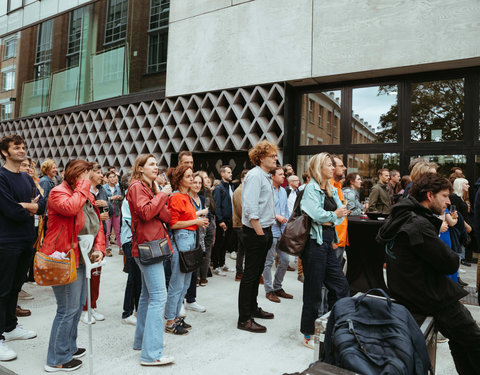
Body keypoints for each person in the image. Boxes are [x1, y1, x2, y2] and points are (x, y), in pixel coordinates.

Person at [377, 173, 480, 375]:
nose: (449, 201)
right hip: (431, 296)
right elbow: (450, 263)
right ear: (430, 195)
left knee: (460, 341)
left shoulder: (401, 215)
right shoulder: (418, 223)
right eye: (444, 196)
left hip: (414, 293)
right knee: (474, 339)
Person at [41, 159, 105, 372]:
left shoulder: (83, 193)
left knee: (76, 307)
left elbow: (96, 223)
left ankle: (68, 346)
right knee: (67, 309)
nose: (90, 177)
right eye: (86, 174)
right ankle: (57, 358)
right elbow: (71, 209)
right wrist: (84, 186)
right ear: (76, 175)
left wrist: (99, 247)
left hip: (80, 257)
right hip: (63, 257)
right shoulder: (58, 192)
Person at [0, 135, 46, 362]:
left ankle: (10, 327)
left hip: (26, 239)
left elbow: (44, 205)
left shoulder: (27, 179)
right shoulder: (1, 177)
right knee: (3, 289)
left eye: (23, 147)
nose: (21, 150)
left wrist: (30, 206)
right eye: (16, 147)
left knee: (16, 286)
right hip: (6, 241)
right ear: (5, 153)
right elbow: (10, 210)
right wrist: (32, 207)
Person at [125, 154, 174, 366]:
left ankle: (141, 342)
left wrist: (158, 194)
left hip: (150, 246)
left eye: (157, 164)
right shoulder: (137, 187)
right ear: (140, 168)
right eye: (152, 164)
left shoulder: (148, 188)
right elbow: (146, 213)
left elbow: (167, 216)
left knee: (147, 296)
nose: (156, 167)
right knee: (158, 297)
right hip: (148, 247)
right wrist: (162, 194)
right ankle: (151, 354)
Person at [299, 152, 349, 349]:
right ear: (319, 167)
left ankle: (334, 326)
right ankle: (308, 334)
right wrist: (332, 215)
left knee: (341, 286)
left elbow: (339, 216)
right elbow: (315, 214)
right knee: (313, 290)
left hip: (328, 242)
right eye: (329, 165)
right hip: (314, 243)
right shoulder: (310, 188)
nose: (332, 168)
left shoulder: (331, 189)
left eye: (332, 165)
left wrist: (331, 216)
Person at [237, 140, 277, 333]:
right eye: (272, 156)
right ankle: (244, 319)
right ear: (261, 158)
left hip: (264, 231)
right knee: (250, 276)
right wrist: (261, 234)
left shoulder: (265, 176)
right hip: (256, 232)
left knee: (255, 275)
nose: (276, 159)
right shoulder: (254, 176)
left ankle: (252, 309)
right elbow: (251, 209)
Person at [164, 165, 208, 335]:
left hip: (188, 238)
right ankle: (170, 320)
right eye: (189, 176)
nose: (192, 179)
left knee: (185, 282)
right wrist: (196, 222)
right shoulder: (176, 197)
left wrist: (196, 219)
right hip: (182, 238)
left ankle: (175, 317)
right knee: (177, 283)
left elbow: (185, 218)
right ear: (180, 179)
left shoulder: (185, 196)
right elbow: (173, 224)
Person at [81, 163, 110, 324]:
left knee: (96, 275)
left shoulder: (102, 191)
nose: (101, 176)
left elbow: (111, 210)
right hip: (86, 237)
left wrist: (106, 207)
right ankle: (85, 309)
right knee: (86, 275)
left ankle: (93, 305)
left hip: (99, 234)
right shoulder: (83, 192)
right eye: (98, 172)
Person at [262, 166, 293, 303]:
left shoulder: (283, 191)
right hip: (270, 230)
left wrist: (286, 228)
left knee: (285, 260)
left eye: (283, 174)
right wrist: (277, 217)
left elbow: (286, 211)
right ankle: (269, 290)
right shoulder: (267, 190)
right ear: (272, 176)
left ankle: (277, 287)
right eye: (280, 174)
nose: (283, 177)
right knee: (268, 262)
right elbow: (264, 209)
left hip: (282, 232)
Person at [184, 173, 208, 312]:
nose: (197, 185)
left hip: (200, 236)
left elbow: (207, 214)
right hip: (188, 235)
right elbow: (186, 216)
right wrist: (199, 214)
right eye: (195, 182)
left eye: (200, 183)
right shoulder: (186, 198)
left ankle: (191, 299)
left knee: (195, 269)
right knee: (185, 269)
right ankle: (181, 300)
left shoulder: (202, 198)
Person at [120, 172, 141, 326]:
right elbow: (132, 221)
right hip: (130, 240)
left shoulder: (134, 196)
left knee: (138, 277)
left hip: (136, 240)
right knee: (133, 277)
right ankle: (127, 312)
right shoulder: (128, 198)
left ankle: (137, 309)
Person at [212, 165, 235, 276]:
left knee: (225, 244)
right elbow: (217, 206)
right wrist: (220, 221)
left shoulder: (230, 187)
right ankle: (216, 266)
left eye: (231, 172)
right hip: (222, 221)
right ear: (222, 174)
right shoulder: (218, 188)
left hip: (230, 220)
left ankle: (222, 264)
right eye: (228, 172)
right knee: (219, 244)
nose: (231, 174)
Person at [197, 170, 216, 285]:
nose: (205, 180)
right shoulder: (193, 191)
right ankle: (197, 276)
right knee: (199, 250)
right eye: (203, 178)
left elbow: (213, 208)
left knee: (207, 250)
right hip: (198, 222)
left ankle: (203, 276)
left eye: (205, 177)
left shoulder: (207, 191)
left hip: (209, 221)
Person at [450, 178, 473, 266]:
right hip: (458, 228)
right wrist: (467, 226)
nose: (468, 186)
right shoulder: (454, 197)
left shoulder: (460, 198)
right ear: (460, 185)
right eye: (466, 184)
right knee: (457, 252)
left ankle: (457, 274)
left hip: (462, 228)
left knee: (460, 250)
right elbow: (455, 213)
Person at [330, 155, 348, 261]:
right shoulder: (327, 188)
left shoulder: (338, 187)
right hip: (333, 242)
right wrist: (331, 241)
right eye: (341, 166)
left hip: (341, 240)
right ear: (332, 168)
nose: (345, 168)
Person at [232, 169, 248, 281]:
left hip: (244, 224)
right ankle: (240, 273)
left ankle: (240, 273)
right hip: (240, 224)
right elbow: (240, 209)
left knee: (242, 249)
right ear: (242, 178)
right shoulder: (239, 191)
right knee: (246, 249)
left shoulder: (246, 190)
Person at [103, 171, 123, 252]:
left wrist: (119, 197)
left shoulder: (117, 187)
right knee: (107, 230)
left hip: (117, 209)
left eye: (113, 177)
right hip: (108, 210)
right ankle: (106, 248)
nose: (112, 179)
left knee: (118, 230)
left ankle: (120, 247)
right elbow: (103, 199)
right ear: (107, 179)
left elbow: (121, 196)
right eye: (110, 177)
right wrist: (111, 198)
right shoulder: (104, 188)